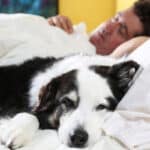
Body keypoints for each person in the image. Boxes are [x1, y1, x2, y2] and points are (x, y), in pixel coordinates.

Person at [47, 0, 150, 57]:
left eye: (121, 31)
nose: (108, 27)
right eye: (115, 18)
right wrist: (47, 25)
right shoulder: (70, 30)